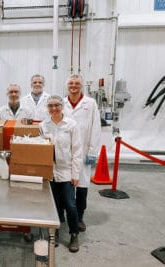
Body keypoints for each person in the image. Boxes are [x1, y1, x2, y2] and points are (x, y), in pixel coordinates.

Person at [39, 95, 83, 253]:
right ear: (47, 108)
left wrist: (75, 174)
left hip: (67, 171)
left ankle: (74, 234)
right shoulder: (44, 125)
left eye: (57, 105)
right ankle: (55, 232)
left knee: (70, 205)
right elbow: (42, 148)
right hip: (50, 172)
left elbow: (77, 151)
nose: (54, 108)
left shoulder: (71, 125)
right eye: (50, 106)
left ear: (62, 106)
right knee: (54, 205)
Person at [63, 74, 101, 232]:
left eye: (77, 83)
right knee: (65, 185)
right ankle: (65, 215)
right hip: (65, 152)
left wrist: (92, 151)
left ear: (82, 85)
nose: (74, 86)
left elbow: (96, 127)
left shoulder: (90, 103)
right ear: (67, 86)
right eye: (71, 83)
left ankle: (79, 217)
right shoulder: (62, 103)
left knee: (82, 185)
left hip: (83, 152)